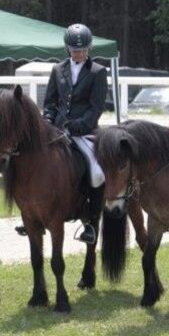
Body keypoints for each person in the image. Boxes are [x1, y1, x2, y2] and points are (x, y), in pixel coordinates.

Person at [41, 23, 107, 244]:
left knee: (96, 172)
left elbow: (96, 108)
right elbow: (50, 103)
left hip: (84, 133)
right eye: (75, 50)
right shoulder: (57, 69)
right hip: (57, 131)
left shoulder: (98, 71)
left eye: (83, 50)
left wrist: (76, 126)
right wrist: (48, 123)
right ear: (67, 48)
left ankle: (91, 223)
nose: (79, 53)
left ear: (89, 48)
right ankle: (33, 214)